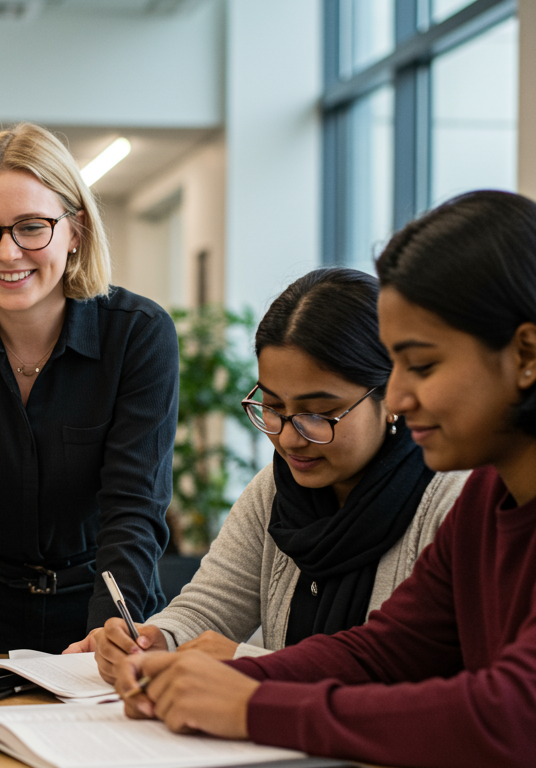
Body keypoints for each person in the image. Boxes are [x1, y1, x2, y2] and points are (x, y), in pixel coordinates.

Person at [112, 190, 536, 768]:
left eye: (424, 365)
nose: (402, 398)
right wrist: (230, 675)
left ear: (528, 354)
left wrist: (252, 703)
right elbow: (388, 650)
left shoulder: (458, 489)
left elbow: (510, 715)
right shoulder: (490, 494)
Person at [69, 268, 468, 680]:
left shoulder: (451, 500)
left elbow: (422, 680)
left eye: (319, 414)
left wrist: (251, 665)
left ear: (391, 396)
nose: (291, 439)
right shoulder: (277, 488)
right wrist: (157, 640)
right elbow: (208, 608)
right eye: (274, 407)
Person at [0, 123, 178, 673]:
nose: (7, 251)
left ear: (76, 231)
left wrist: (110, 626)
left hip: (103, 603)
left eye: (31, 227)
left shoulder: (139, 334)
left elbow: (134, 504)